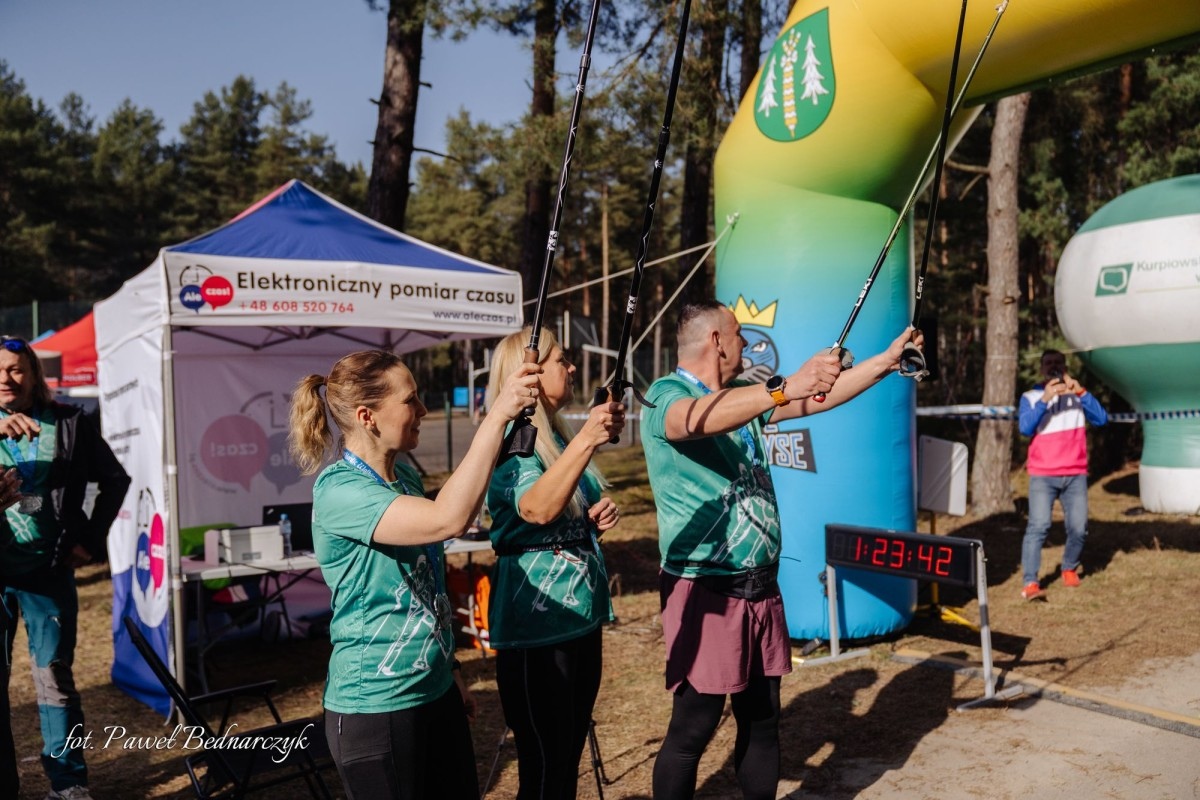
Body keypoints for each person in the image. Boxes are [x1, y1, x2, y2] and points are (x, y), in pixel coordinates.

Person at [641, 302, 921, 800]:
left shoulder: (740, 399)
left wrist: (885, 362)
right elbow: (688, 423)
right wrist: (785, 385)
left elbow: (816, 399)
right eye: (739, 335)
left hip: (759, 587)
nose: (746, 345)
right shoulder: (668, 393)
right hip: (707, 588)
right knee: (694, 728)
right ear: (716, 340)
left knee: (763, 719)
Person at [288, 349, 540, 800]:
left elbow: (427, 591)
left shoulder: (403, 477)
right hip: (375, 706)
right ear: (367, 416)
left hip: (433, 689)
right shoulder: (340, 491)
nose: (423, 409)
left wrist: (450, 670)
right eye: (411, 400)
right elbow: (449, 519)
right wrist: (497, 414)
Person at [484, 328, 625, 800]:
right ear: (530, 374)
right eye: (561, 360)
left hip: (579, 619)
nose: (570, 368)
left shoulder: (556, 439)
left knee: (566, 761)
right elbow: (536, 509)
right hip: (536, 628)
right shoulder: (514, 441)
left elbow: (555, 517)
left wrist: (590, 519)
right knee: (544, 768)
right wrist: (588, 438)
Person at [0, 335, 131, 800]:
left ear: (34, 374)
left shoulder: (71, 422)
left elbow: (112, 481)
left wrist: (89, 542)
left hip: (47, 572)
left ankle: (69, 783)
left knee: (54, 677)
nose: (5, 378)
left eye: (16, 368)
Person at [1017, 348, 1108, 601]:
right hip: (1043, 474)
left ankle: (1069, 567)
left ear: (1066, 367)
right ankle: (1031, 582)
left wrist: (1081, 392)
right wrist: (1046, 398)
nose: (1054, 367)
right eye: (1049, 363)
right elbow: (1025, 428)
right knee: (1039, 526)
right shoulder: (1032, 396)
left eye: (1059, 363)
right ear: (1041, 368)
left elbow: (1101, 420)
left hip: (1075, 473)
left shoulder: (1078, 396)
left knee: (1079, 528)